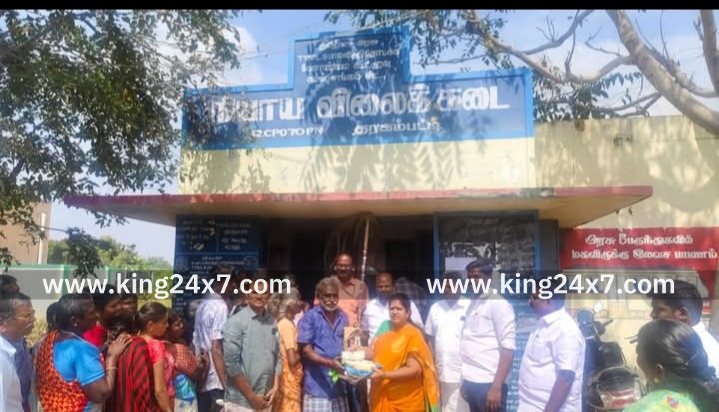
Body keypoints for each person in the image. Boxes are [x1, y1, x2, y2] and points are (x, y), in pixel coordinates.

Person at [34, 293, 130, 412]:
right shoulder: (82, 350)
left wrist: (102, 349)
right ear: (74, 321)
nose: (97, 315)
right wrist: (112, 357)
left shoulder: (48, 341)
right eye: (92, 312)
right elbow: (100, 394)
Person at [362, 293, 440, 412]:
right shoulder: (385, 326)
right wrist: (358, 351)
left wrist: (384, 375)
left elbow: (414, 370)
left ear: (408, 312)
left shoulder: (413, 334)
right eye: (391, 308)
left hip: (406, 401)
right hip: (381, 394)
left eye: (399, 309)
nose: (394, 312)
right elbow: (372, 351)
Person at [518, 278, 585, 412]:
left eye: (534, 297)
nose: (529, 301)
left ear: (547, 301)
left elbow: (565, 378)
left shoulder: (565, 330)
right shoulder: (542, 324)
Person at [623, 319, 719, 411]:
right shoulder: (707, 398)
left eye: (639, 354)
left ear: (658, 371)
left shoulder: (647, 408)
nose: (638, 362)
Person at [460, 261, 516, 412]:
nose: (471, 281)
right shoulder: (473, 304)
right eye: (469, 277)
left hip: (489, 383)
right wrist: (466, 381)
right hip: (473, 381)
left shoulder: (498, 304)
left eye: (476, 277)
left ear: (489, 277)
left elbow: (508, 349)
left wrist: (496, 387)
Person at [221, 275, 282, 412]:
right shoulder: (236, 322)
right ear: (247, 295)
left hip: (266, 398)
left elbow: (278, 355)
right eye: (255, 292)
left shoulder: (272, 322)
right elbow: (231, 364)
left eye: (263, 292)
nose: (259, 296)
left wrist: (276, 386)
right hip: (241, 402)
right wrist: (252, 397)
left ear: (269, 296)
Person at [298, 277, 350, 412]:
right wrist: (330, 363)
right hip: (317, 388)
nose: (332, 299)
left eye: (335, 296)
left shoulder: (343, 317)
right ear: (319, 296)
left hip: (339, 386)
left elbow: (347, 344)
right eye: (327, 295)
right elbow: (306, 351)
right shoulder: (310, 317)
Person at [648, 279, 719, 377]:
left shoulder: (697, 352)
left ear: (682, 314)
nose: (652, 314)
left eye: (659, 310)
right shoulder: (683, 343)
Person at [425, 272, 471, 412]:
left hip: (464, 372)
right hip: (441, 370)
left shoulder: (470, 307)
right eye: (444, 286)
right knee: (443, 407)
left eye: (450, 286)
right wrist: (432, 364)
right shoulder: (435, 308)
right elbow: (429, 338)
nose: (446, 289)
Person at [194, 265, 234, 412]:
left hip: (204, 375)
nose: (233, 286)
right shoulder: (220, 307)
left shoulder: (203, 304)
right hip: (215, 379)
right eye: (230, 283)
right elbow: (216, 347)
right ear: (219, 284)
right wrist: (225, 384)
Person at [267, 288, 304, 412]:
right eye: (298, 300)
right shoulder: (287, 326)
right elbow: (292, 359)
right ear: (290, 303)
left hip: (282, 379)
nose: (301, 303)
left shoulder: (281, 323)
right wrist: (303, 352)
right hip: (289, 380)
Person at [165, 309, 209, 412]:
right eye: (177, 324)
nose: (182, 326)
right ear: (167, 328)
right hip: (183, 401)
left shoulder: (153, 346)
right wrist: (204, 363)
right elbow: (196, 373)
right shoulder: (178, 350)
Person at [361, 272, 422, 343]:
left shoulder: (407, 304)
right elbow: (365, 333)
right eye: (380, 287)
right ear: (375, 288)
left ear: (393, 287)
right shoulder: (369, 307)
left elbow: (419, 329)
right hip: (375, 348)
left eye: (387, 286)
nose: (383, 289)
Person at [0, 291, 34, 412]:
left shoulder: (15, 344)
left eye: (32, 314)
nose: (33, 319)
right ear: (2, 323)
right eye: (27, 316)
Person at [138, 302, 174, 412]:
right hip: (156, 405)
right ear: (150, 325)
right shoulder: (155, 346)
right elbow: (160, 390)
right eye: (164, 322)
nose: (167, 326)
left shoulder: (133, 342)